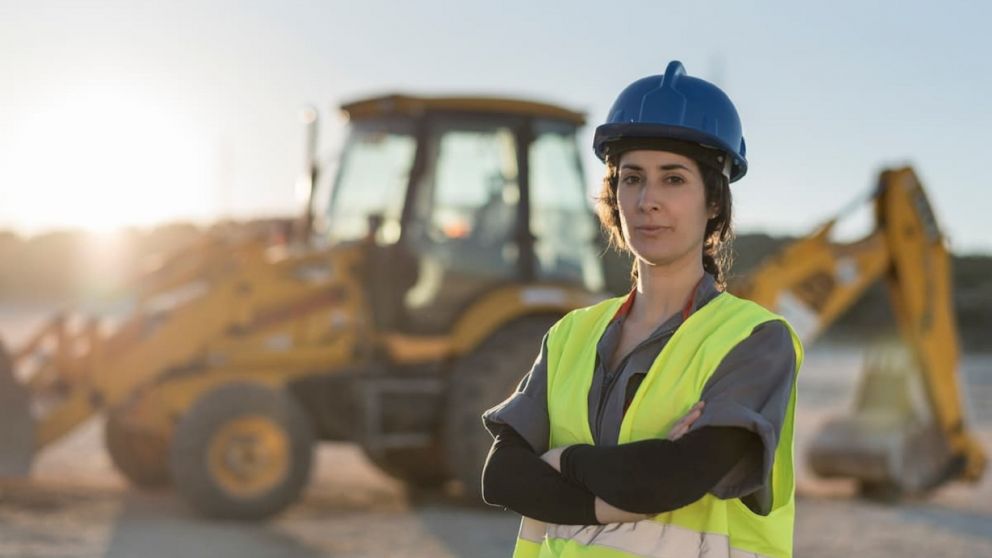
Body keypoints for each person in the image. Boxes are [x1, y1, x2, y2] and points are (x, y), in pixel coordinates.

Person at [480, 60, 804, 558]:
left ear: (714, 201)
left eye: (673, 179)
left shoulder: (755, 341)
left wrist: (561, 459)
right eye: (632, 179)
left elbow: (669, 482)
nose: (648, 200)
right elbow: (502, 478)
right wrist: (616, 499)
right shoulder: (571, 335)